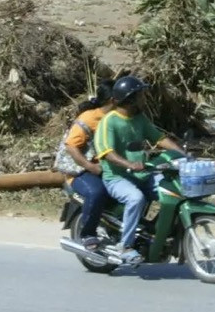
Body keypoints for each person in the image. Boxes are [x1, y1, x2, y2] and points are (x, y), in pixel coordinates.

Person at [93, 75, 187, 266]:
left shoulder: (139, 118)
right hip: (116, 178)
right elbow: (106, 153)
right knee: (136, 198)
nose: (144, 99)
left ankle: (163, 234)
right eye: (140, 95)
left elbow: (159, 138)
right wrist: (129, 164)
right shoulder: (109, 121)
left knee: (174, 190)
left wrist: (182, 153)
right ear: (129, 99)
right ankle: (125, 246)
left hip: (143, 174)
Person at [56, 83, 112, 251]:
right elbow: (71, 145)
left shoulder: (123, 117)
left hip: (109, 168)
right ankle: (88, 234)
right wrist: (90, 166)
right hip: (80, 171)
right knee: (97, 192)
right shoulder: (89, 118)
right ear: (113, 100)